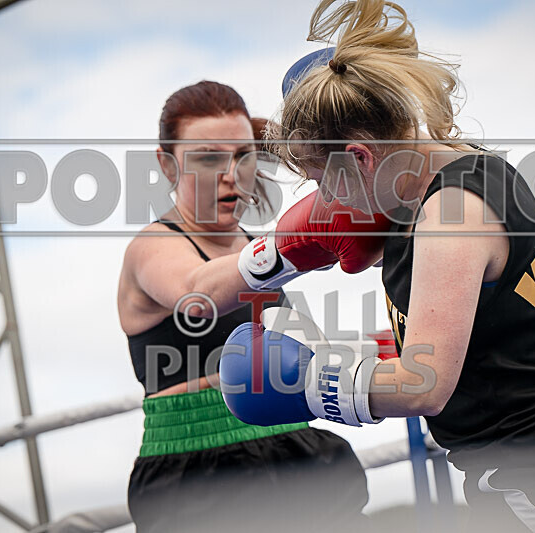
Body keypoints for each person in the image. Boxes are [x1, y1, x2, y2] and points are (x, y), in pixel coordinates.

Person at [219, 2, 535, 532]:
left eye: (326, 180)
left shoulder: (450, 217)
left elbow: (425, 385)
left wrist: (306, 384)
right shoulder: (458, 168)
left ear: (361, 157)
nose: (327, 200)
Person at [116, 80, 371, 533]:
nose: (231, 173)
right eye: (208, 157)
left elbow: (292, 347)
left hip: (293, 445)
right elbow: (197, 294)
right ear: (167, 164)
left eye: (242, 155)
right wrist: (293, 241)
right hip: (195, 468)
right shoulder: (153, 246)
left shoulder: (256, 246)